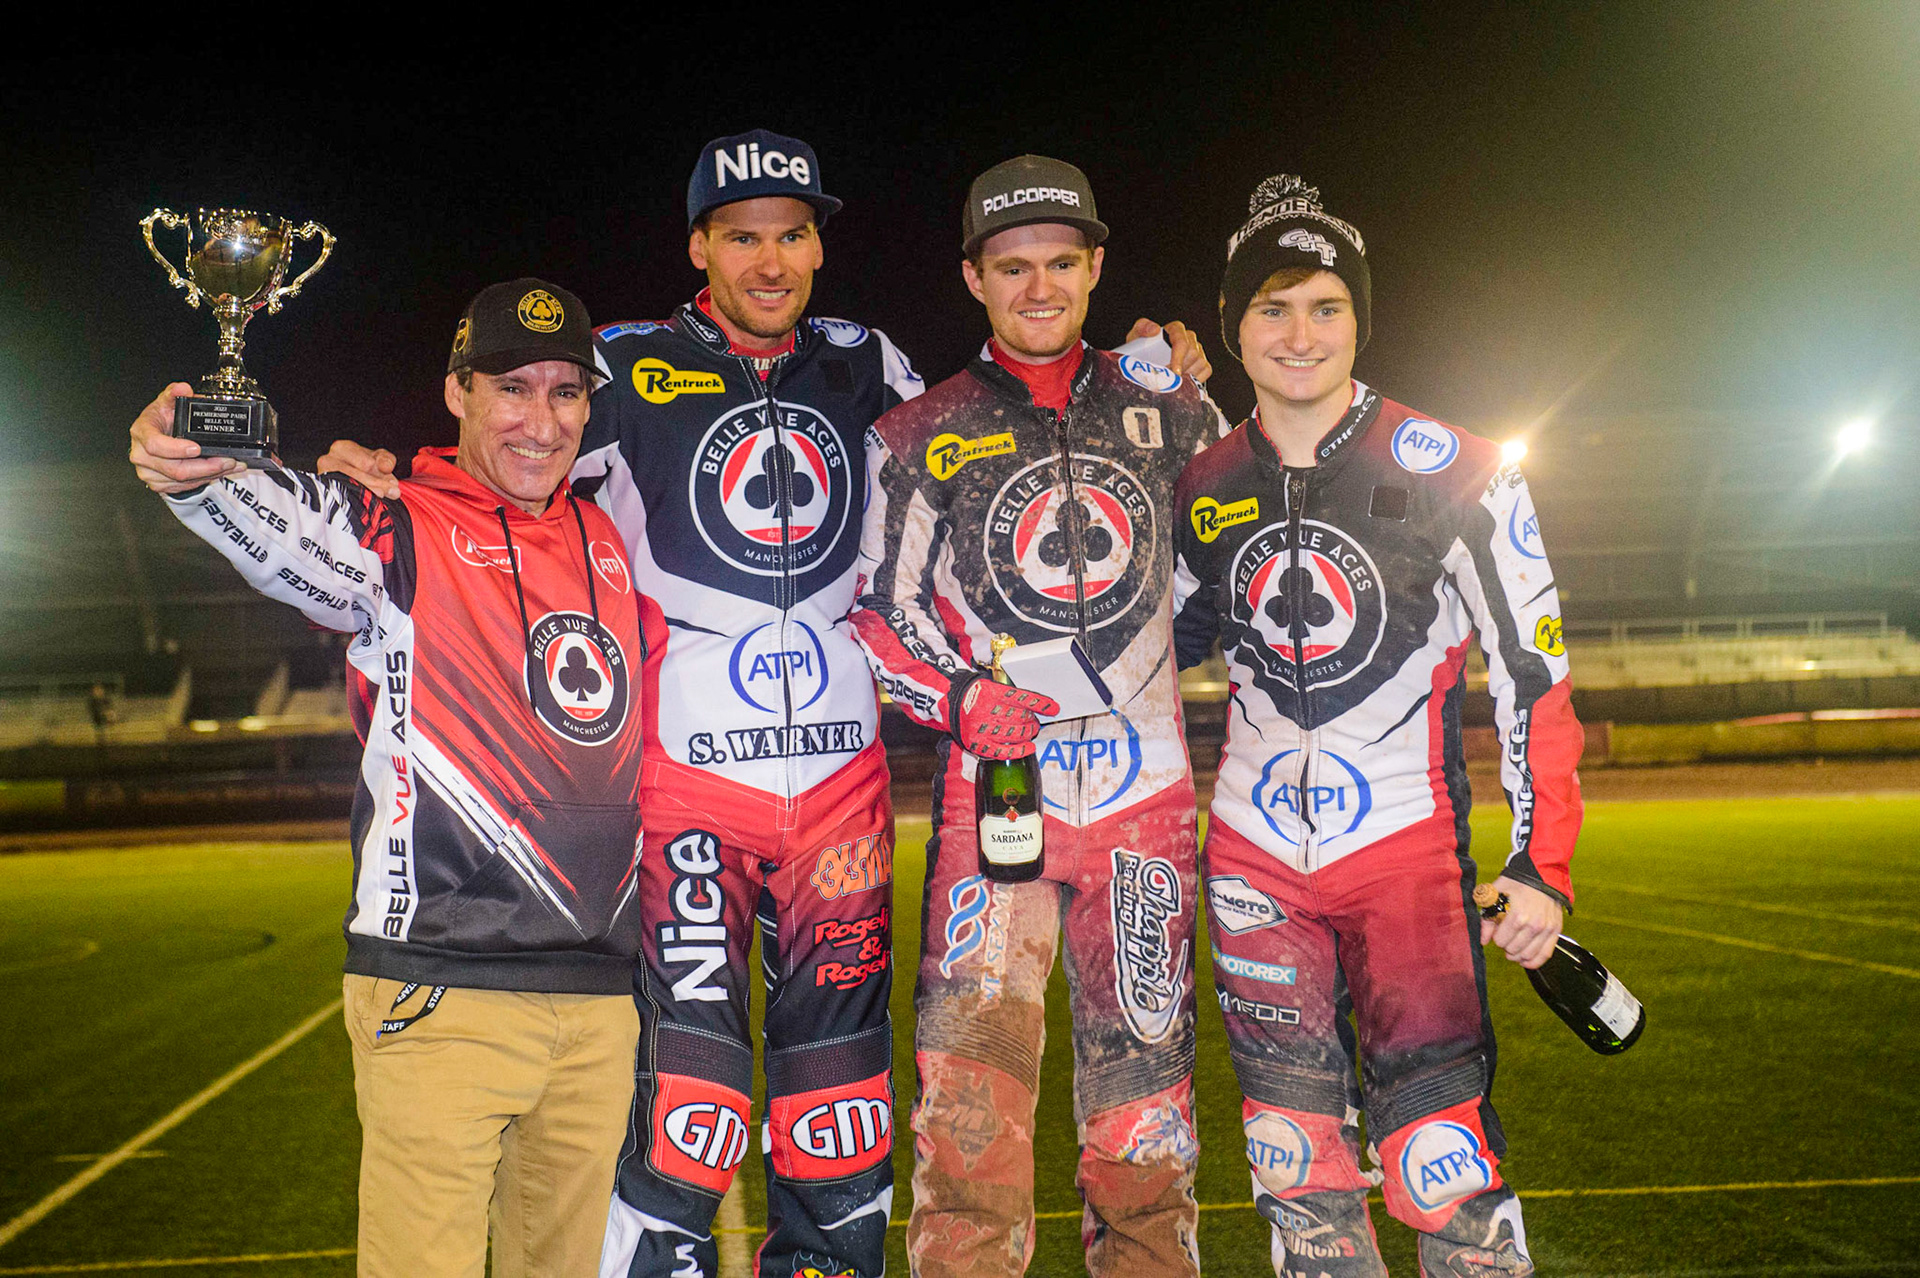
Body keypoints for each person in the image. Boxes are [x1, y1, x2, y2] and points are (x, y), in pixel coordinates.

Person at [313, 132, 1210, 1278]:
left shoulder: (870, 364)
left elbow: (983, 434)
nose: (771, 258)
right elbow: (510, 466)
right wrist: (396, 476)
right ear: (700, 245)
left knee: (838, 1115)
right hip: (686, 792)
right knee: (685, 1109)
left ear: (820, 244)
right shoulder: (627, 365)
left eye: (792, 234)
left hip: (840, 791)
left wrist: (1149, 363)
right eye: (743, 235)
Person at [128, 280, 646, 1278]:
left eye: (566, 393)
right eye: (512, 387)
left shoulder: (607, 536)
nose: (542, 420)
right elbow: (285, 526)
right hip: (439, 992)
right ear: (457, 392)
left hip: (594, 1001)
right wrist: (190, 468)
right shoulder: (397, 526)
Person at [1169, 176, 1582, 1276]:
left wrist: (1541, 866)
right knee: (1296, 1175)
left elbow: (1533, 679)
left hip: (1406, 861)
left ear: (1359, 319)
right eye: (1271, 308)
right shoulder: (1199, 484)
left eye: (1325, 307)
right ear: (1233, 326)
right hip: (1254, 867)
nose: (1299, 335)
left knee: (1439, 1162)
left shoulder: (1463, 471)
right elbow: (1136, 653)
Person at [848, 155, 1227, 1278]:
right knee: (970, 1114)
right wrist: (965, 701)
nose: (1041, 286)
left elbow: (1233, 564)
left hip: (1146, 805)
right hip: (991, 816)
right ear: (974, 277)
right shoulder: (920, 431)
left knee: (1146, 1110)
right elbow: (881, 615)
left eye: (1063, 262)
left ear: (1097, 265)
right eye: (1013, 266)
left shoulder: (1172, 405)